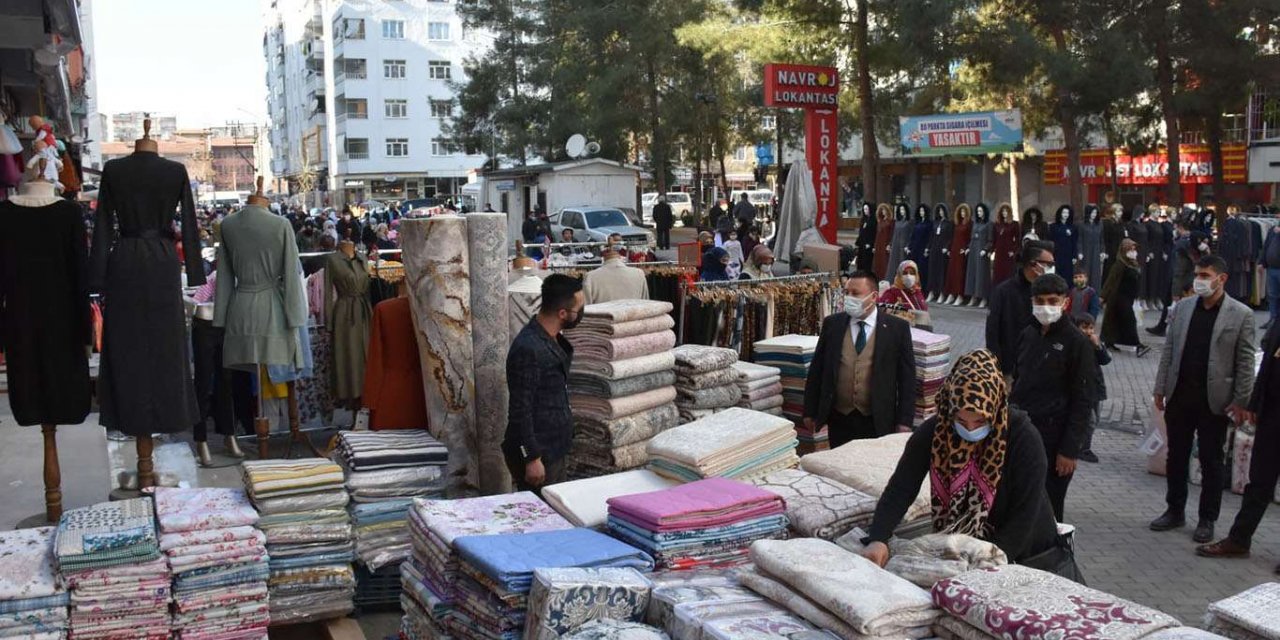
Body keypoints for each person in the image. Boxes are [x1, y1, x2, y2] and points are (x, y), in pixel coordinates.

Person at [860, 350, 1080, 581]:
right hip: (968, 549)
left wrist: (990, 563)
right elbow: (901, 488)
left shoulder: (1023, 438)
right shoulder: (936, 432)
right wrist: (879, 537)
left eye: (980, 421)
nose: (971, 430)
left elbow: (1025, 512)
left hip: (1029, 551)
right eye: (962, 421)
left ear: (995, 409)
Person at [1151, 255, 1257, 544]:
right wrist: (1160, 388)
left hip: (1215, 401)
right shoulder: (1184, 308)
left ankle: (1207, 519)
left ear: (1221, 279)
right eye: (1197, 274)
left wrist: (1241, 401)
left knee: (1211, 460)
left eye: (1205, 275)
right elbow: (1169, 350)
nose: (1199, 280)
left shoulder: (1241, 314)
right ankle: (1174, 509)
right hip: (1180, 395)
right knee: (1176, 456)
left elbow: (1245, 363)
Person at [1008, 273, 1094, 522]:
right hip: (1023, 432)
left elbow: (1083, 400)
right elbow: (1018, 381)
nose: (1046, 307)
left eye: (1053, 301)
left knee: (1049, 508)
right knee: (1020, 500)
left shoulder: (1077, 343)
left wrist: (1069, 450)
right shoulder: (1028, 334)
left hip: (1056, 439)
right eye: (1040, 300)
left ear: (1065, 303)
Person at [1197, 320, 1280, 566]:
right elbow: (1267, 363)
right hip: (1273, 414)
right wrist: (1254, 404)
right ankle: (1239, 539)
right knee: (1259, 481)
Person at [803, 270, 916, 447]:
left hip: (877, 419)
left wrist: (905, 421)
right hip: (840, 418)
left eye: (855, 294)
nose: (849, 298)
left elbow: (907, 380)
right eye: (846, 293)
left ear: (874, 297)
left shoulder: (897, 329)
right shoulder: (833, 324)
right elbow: (817, 369)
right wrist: (810, 411)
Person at [503, 274, 584, 491]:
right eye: (579, 310)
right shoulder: (528, 348)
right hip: (539, 452)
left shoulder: (552, 339)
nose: (581, 315)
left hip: (554, 447)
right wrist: (531, 457)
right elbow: (520, 409)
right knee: (543, 518)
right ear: (562, 313)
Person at [985, 241, 1055, 380]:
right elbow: (992, 333)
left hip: (1040, 368)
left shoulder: (1048, 292)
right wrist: (997, 368)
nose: (1052, 268)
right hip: (1010, 369)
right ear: (1034, 264)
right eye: (1049, 264)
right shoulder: (1003, 292)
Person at [1100, 239, 1150, 357]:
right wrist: (1103, 296)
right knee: (1130, 321)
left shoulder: (1132, 264)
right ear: (1124, 250)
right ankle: (1138, 346)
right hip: (1119, 298)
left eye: (1134, 249)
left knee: (1120, 321)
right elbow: (1110, 281)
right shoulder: (1119, 264)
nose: (1133, 252)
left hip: (1128, 298)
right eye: (1130, 249)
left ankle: (1109, 342)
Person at [1072, 313, 1111, 464]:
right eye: (1084, 328)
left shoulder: (1095, 343)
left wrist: (1098, 346)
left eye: (1090, 328)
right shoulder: (1076, 344)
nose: (1088, 331)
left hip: (1096, 388)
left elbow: (1105, 360)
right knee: (1090, 421)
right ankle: (1083, 448)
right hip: (1084, 388)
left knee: (1096, 418)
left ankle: (1084, 446)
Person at [583, 247, 648, 304]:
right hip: (634, 317)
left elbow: (586, 307)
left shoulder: (590, 276)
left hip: (602, 316)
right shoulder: (639, 274)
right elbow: (646, 303)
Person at [878, 259, 930, 330]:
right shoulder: (892, 292)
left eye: (912, 273)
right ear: (899, 275)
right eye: (905, 273)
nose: (908, 276)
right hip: (900, 332)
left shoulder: (918, 292)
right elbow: (881, 308)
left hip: (922, 331)